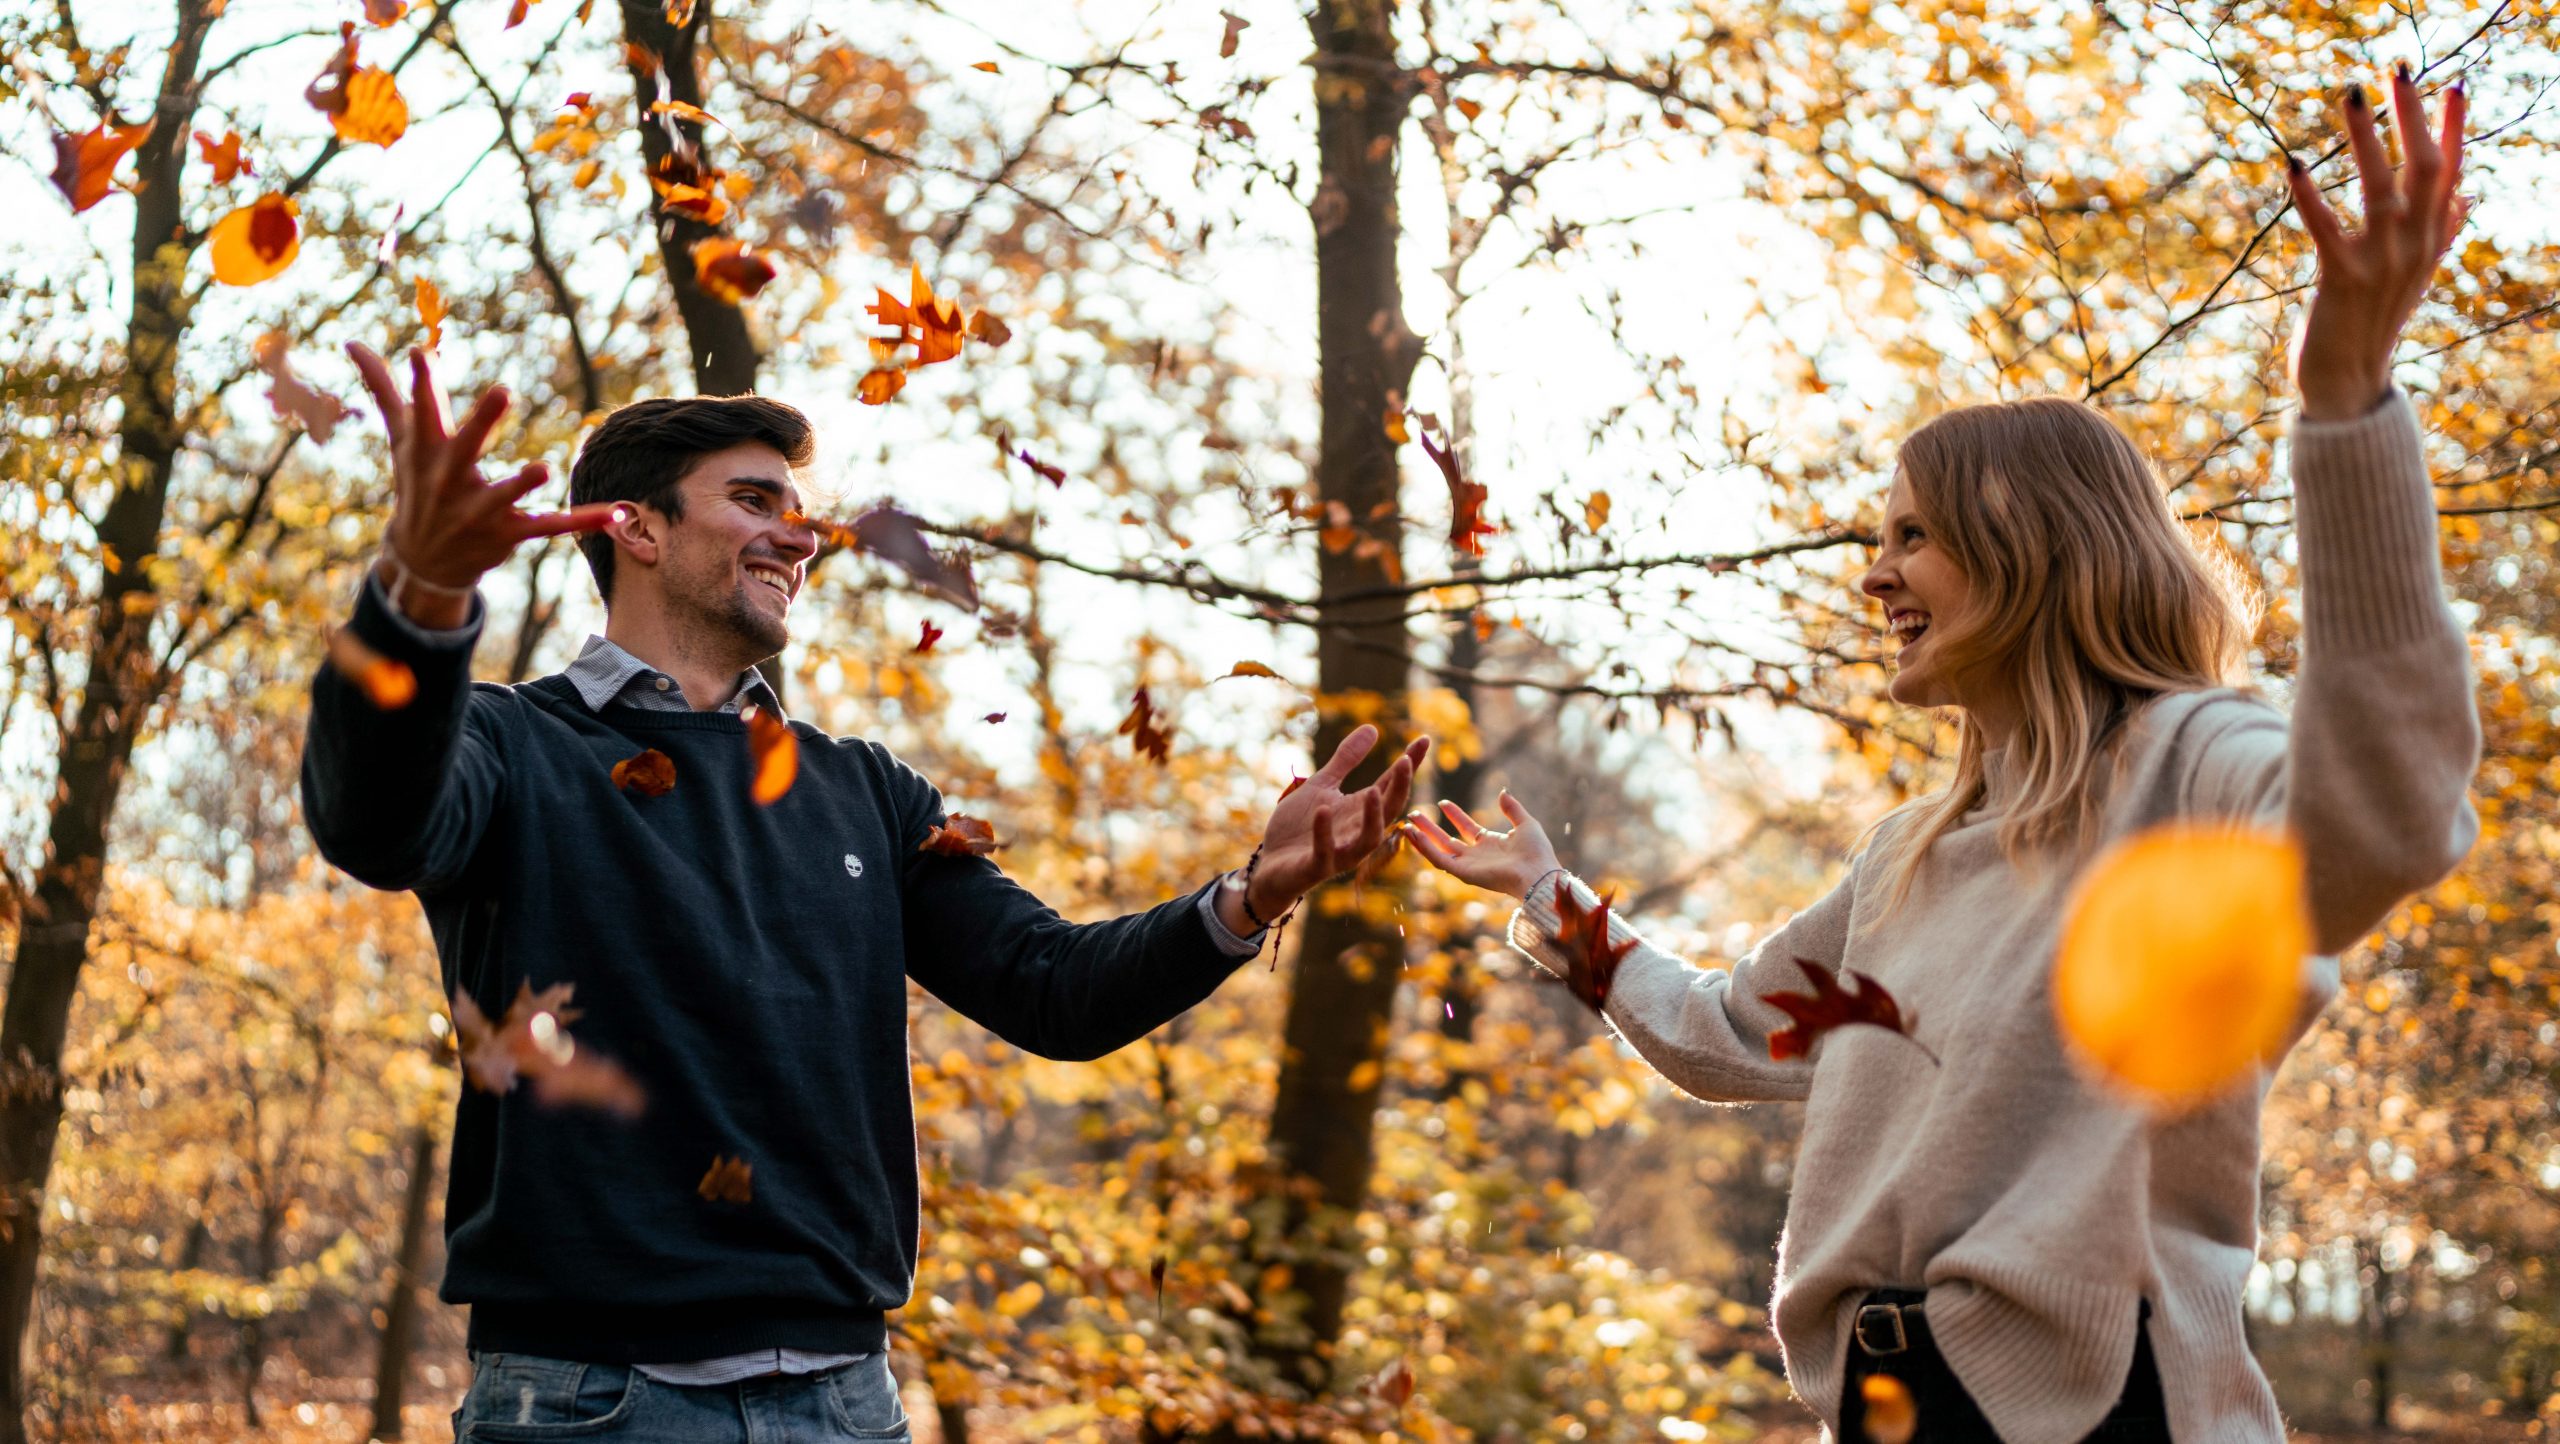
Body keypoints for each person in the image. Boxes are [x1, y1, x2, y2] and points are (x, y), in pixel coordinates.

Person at [1405, 70, 2480, 1444]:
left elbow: (2385, 822)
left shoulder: (2192, 766)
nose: (1875, 577)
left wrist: (2344, 411)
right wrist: (1550, 900)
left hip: (2103, 1404)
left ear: (2029, 552)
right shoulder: (1907, 856)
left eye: (1911, 536)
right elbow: (1728, 1035)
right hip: (1886, 1404)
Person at [302, 350, 1426, 1442]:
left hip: (842, 1404)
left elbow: (1055, 992)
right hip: (592, 1404)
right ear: (635, 529)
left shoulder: (863, 791)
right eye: (752, 500)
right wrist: (422, 594)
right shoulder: (511, 744)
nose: (796, 535)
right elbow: (371, 818)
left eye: (799, 508)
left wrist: (1249, 892)